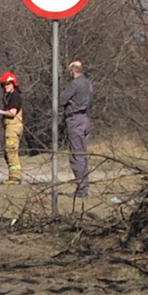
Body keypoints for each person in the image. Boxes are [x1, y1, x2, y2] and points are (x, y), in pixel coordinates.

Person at [60, 60, 94, 197]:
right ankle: (83, 186)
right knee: (82, 155)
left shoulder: (75, 84)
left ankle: (82, 189)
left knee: (77, 156)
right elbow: (91, 100)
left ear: (73, 71)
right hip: (86, 119)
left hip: (75, 120)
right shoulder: (89, 83)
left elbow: (61, 99)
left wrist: (69, 102)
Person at [0, 72, 24, 185]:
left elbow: (12, 112)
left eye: (8, 84)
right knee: (8, 152)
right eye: (4, 85)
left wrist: (0, 112)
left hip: (13, 127)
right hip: (9, 127)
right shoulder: (9, 96)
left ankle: (15, 178)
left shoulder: (15, 96)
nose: (6, 86)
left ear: (13, 83)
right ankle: (13, 176)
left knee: (11, 151)